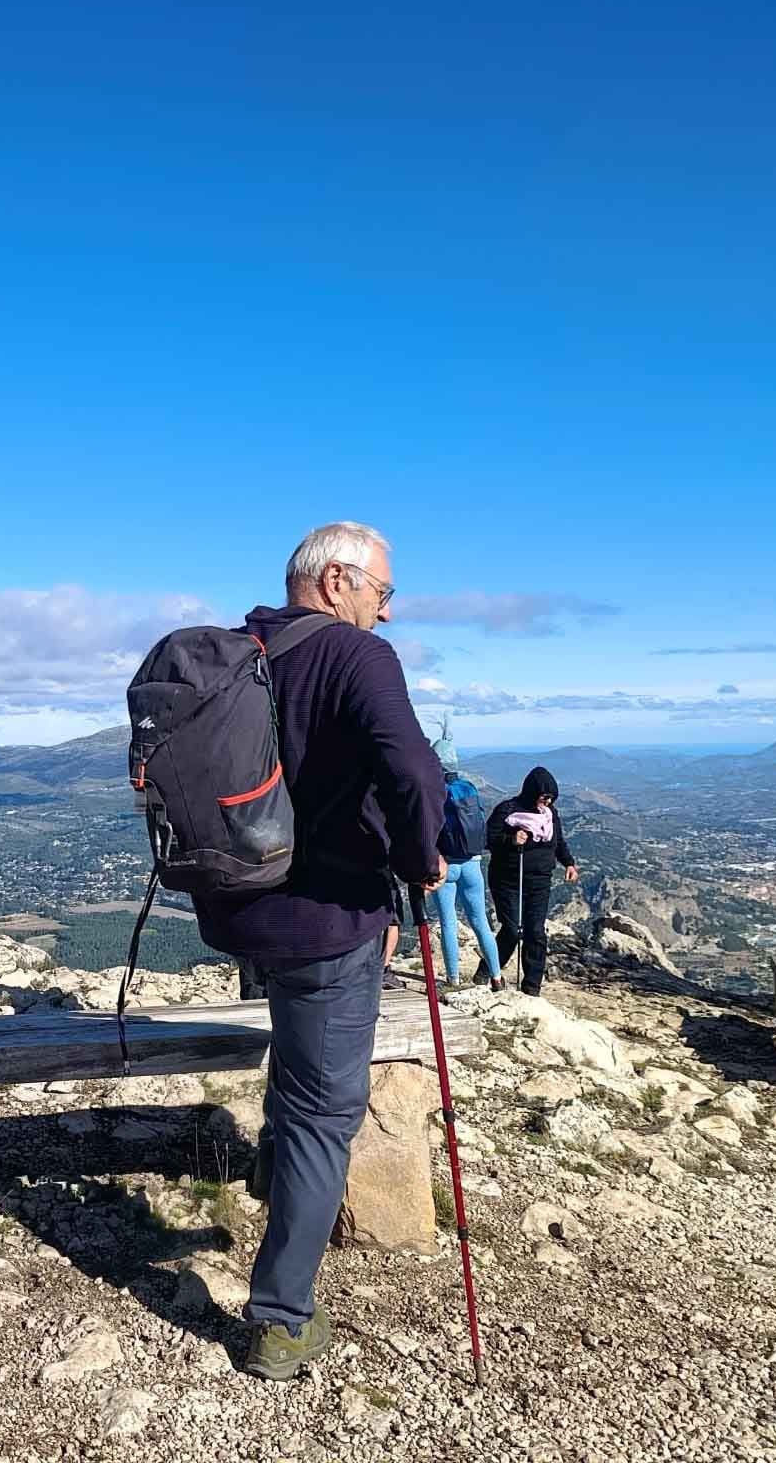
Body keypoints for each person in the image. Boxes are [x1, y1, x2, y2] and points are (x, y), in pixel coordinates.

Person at [191, 522, 445, 1382]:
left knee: (298, 1073)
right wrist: (421, 860)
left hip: (236, 910)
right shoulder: (355, 656)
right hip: (327, 922)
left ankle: (275, 1185)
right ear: (337, 582)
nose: (387, 610)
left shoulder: (239, 649)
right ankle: (281, 1320)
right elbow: (413, 771)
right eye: (383, 591)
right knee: (323, 1109)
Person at [485, 766, 578, 997]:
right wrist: (511, 839)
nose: (547, 801)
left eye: (551, 798)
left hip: (539, 881)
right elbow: (488, 839)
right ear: (531, 791)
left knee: (535, 932)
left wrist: (569, 863)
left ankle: (532, 987)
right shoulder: (507, 810)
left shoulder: (550, 814)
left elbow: (559, 841)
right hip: (507, 879)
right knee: (512, 929)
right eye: (544, 796)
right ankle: (487, 970)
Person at [426, 725, 505, 993]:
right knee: (480, 921)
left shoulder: (434, 790)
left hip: (445, 865)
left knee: (448, 922)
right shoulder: (469, 788)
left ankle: (453, 980)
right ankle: (496, 977)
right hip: (473, 863)